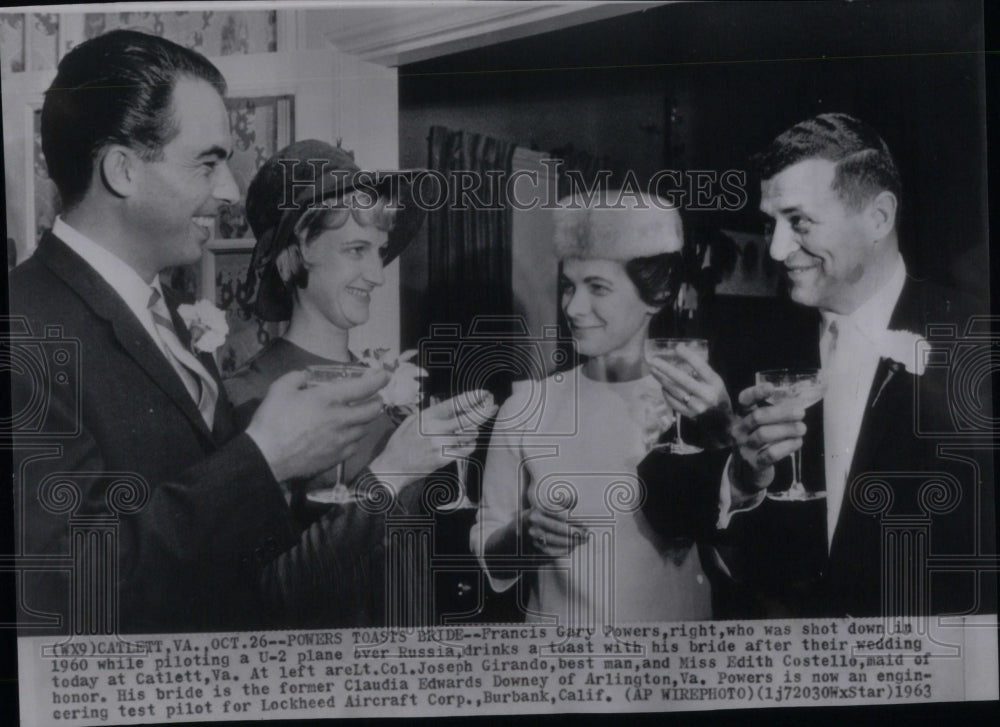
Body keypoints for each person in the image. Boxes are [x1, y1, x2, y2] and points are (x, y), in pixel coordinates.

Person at [9, 30, 394, 633]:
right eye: (209, 162)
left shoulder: (165, 316)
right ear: (122, 170)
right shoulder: (21, 329)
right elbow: (61, 590)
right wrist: (264, 458)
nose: (228, 191)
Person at [639, 112, 992, 618]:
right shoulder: (747, 343)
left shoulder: (977, 339)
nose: (778, 250)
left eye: (799, 221)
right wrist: (737, 473)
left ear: (878, 217)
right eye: (771, 225)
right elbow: (661, 500)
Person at [226, 139, 497, 627]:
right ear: (296, 252)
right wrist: (391, 472)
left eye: (380, 251)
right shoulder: (250, 397)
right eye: (356, 250)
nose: (377, 274)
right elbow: (277, 593)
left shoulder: (389, 387)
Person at [472, 192, 714, 625]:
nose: (572, 307)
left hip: (673, 667)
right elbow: (491, 557)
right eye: (568, 287)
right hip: (559, 669)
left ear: (656, 294)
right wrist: (519, 535)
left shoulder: (696, 404)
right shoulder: (527, 407)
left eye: (597, 287)